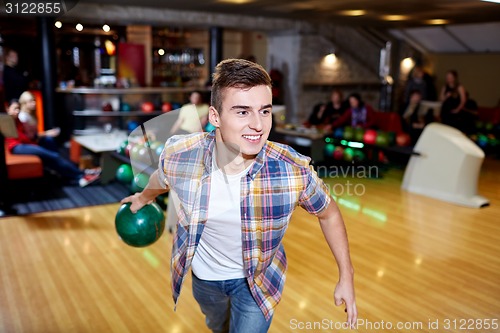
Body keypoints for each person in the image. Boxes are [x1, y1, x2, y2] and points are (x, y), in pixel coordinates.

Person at [121, 59, 357, 333]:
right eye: (243, 112)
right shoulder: (181, 155)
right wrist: (143, 198)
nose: (258, 125)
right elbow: (161, 179)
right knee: (217, 326)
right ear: (215, 117)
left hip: (257, 284)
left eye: (264, 111)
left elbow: (328, 213)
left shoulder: (292, 170)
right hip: (205, 280)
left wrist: (346, 275)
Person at [5, 99, 100, 187]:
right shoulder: (7, 120)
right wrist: (35, 141)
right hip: (17, 147)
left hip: (24, 144)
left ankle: (72, 174)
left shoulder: (18, 120)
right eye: (14, 109)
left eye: (18, 109)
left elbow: (28, 136)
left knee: (50, 152)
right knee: (52, 156)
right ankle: (80, 174)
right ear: (8, 109)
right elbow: (21, 138)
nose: (17, 111)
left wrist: (35, 139)